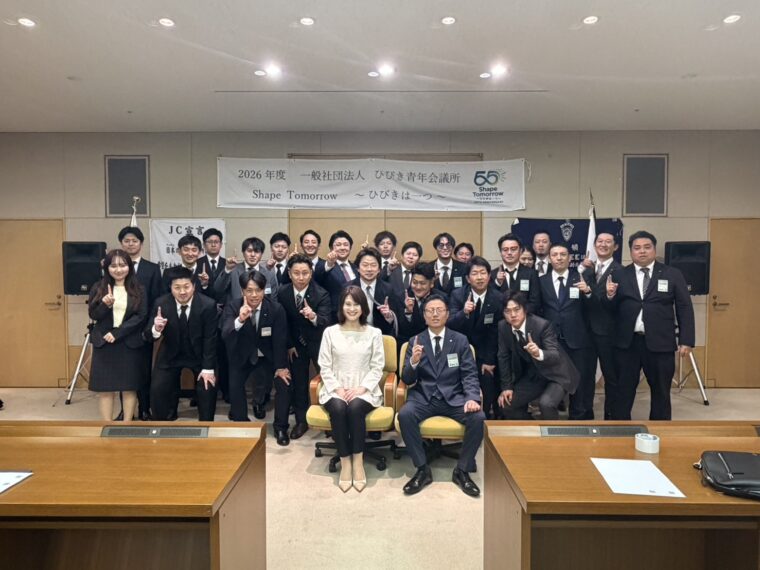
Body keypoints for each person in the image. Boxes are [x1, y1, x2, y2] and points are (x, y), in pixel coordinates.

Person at [399, 295, 484, 497]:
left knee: (478, 417)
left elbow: (469, 374)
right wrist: (414, 362)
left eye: (440, 310)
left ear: (447, 314)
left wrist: (472, 397)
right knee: (405, 415)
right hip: (424, 397)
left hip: (453, 397)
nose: (435, 314)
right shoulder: (415, 341)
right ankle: (422, 469)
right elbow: (407, 379)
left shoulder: (460, 340)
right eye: (430, 310)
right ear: (424, 315)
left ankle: (462, 470)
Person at [604, 230, 695, 420]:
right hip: (627, 344)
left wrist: (686, 340)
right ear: (631, 251)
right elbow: (609, 311)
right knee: (623, 391)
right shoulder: (619, 274)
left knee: (661, 391)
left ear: (654, 249)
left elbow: (684, 307)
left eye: (647, 247)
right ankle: (620, 429)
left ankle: (659, 430)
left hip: (661, 343)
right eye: (637, 248)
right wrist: (610, 296)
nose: (642, 251)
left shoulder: (672, 274)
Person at [318, 286, 385, 492]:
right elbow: (324, 365)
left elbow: (377, 366)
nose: (352, 308)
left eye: (356, 304)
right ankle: (345, 461)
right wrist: (337, 388)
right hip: (335, 387)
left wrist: (362, 388)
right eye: (348, 304)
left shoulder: (374, 333)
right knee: (339, 409)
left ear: (363, 307)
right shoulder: (330, 332)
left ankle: (358, 460)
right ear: (341, 307)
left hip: (364, 388)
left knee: (355, 408)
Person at [146, 267, 218, 421]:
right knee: (158, 388)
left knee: (207, 386)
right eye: (177, 288)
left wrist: (207, 368)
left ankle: (206, 424)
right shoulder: (161, 304)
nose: (182, 292)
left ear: (194, 286)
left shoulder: (208, 305)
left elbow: (210, 338)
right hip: (170, 353)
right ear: (170, 288)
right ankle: (162, 422)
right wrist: (156, 329)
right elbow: (147, 335)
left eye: (186, 287)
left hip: (199, 355)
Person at [222, 270, 290, 429]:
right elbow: (225, 333)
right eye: (249, 290)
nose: (254, 295)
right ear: (242, 291)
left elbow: (280, 341)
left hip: (268, 356)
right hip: (242, 355)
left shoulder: (275, 308)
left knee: (284, 383)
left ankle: (281, 427)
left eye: (258, 290)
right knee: (235, 385)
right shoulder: (233, 306)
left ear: (264, 290)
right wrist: (240, 320)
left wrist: (280, 367)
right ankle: (241, 424)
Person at [497, 292, 579, 420]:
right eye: (508, 311)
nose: (513, 315)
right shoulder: (503, 327)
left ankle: (552, 433)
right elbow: (503, 357)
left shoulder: (542, 325)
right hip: (534, 376)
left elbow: (554, 355)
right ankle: (533, 429)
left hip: (556, 374)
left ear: (525, 309)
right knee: (507, 404)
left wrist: (538, 353)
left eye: (517, 309)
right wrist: (507, 387)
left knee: (546, 404)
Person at [87, 249, 148, 421]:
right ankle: (107, 425)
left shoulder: (139, 289)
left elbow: (141, 316)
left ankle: (127, 424)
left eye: (122, 265)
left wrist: (117, 333)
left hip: (128, 342)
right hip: (104, 343)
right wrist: (104, 305)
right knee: (106, 389)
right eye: (113, 266)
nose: (118, 269)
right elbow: (93, 315)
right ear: (107, 268)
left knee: (129, 387)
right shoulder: (98, 287)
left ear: (129, 267)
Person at [277, 254, 332, 440]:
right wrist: (289, 344)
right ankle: (301, 421)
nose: (301, 277)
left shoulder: (321, 293)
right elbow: (282, 323)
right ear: (289, 274)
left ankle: (330, 419)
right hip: (295, 345)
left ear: (311, 273)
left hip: (318, 343)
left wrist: (313, 316)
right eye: (296, 273)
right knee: (299, 384)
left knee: (326, 381)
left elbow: (326, 321)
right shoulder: (282, 292)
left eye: (305, 273)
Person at [539, 243, 596, 420]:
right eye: (555, 254)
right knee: (555, 379)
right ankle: (551, 414)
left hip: (577, 339)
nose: (559, 258)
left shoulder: (580, 277)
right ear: (549, 258)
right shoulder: (541, 281)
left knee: (579, 380)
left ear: (570, 258)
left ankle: (578, 418)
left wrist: (588, 292)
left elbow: (595, 308)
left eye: (563, 254)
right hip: (552, 341)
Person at [448, 257, 504, 418]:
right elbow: (450, 323)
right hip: (460, 351)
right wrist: (463, 313)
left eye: (483, 273)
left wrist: (489, 360)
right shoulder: (458, 295)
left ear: (489, 276)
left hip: (485, 353)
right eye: (475, 273)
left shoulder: (497, 297)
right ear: (468, 278)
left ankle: (483, 417)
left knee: (487, 380)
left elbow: (496, 332)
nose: (479, 277)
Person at [118, 226, 161, 420]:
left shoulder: (152, 269)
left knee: (143, 371)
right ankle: (125, 411)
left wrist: (150, 327)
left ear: (141, 244)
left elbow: (157, 299)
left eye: (134, 241)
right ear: (121, 244)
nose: (130, 244)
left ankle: (145, 408)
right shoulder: (115, 269)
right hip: (121, 329)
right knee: (123, 372)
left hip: (143, 329)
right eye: (126, 241)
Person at [580, 232, 623, 419]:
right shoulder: (587, 271)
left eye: (608, 242)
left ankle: (610, 416)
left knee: (611, 377)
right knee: (586, 376)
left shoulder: (621, 271)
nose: (603, 245)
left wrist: (608, 296)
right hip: (586, 332)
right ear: (595, 245)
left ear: (615, 247)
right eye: (599, 241)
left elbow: (620, 304)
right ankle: (586, 415)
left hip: (609, 333)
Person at [348, 247, 399, 337]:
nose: (369, 269)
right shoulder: (348, 288)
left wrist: (388, 316)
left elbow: (395, 319)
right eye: (365, 265)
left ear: (379, 269)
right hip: (353, 334)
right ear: (358, 268)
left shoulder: (388, 289)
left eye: (373, 265)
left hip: (379, 335)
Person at [214, 236, 278, 305]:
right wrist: (228, 269)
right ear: (243, 252)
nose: (253, 255)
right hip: (236, 310)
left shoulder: (268, 273)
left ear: (261, 254)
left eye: (256, 251)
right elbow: (218, 289)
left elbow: (273, 300)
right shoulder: (233, 270)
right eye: (249, 251)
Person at [491, 233, 541, 314]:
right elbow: (491, 301)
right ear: (500, 252)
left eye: (513, 249)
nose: (509, 253)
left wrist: (519, 314)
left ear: (520, 251)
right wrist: (497, 283)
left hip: (525, 318)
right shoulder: (493, 274)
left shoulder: (531, 274)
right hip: (500, 319)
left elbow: (535, 303)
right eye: (505, 250)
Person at [397, 262, 442, 349]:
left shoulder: (440, 298)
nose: (418, 287)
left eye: (422, 283)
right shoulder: (402, 297)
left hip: (433, 343)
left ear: (432, 283)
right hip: (408, 344)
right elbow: (401, 330)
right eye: (414, 282)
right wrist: (408, 312)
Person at [323, 230, 357, 317]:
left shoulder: (356, 267)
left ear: (350, 248)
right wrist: (329, 264)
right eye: (338, 245)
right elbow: (319, 276)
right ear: (331, 248)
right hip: (334, 315)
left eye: (346, 245)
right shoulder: (324, 267)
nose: (342, 248)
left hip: (355, 313)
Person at [382, 240, 422, 307]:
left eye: (415, 255)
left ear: (418, 259)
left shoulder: (420, 274)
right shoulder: (391, 269)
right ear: (402, 256)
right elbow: (379, 282)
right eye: (408, 254)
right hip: (392, 309)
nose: (411, 257)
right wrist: (389, 269)